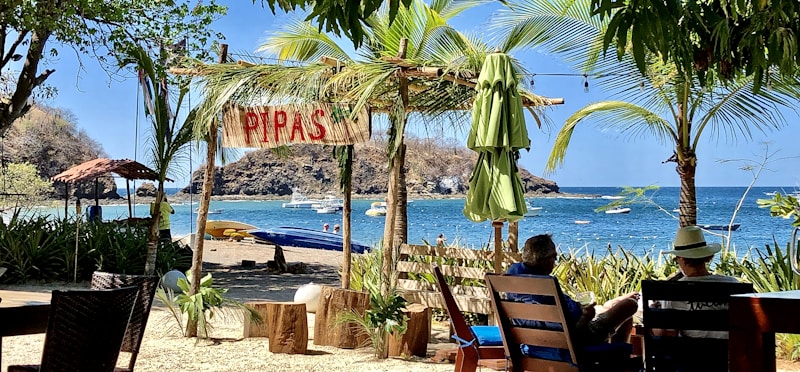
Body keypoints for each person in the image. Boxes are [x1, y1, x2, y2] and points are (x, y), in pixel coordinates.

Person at [507, 234, 639, 347]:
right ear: (544, 261)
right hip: (573, 338)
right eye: (554, 257)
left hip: (533, 338)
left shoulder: (513, 275)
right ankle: (617, 363)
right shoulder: (544, 285)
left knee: (607, 307)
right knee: (629, 306)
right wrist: (586, 316)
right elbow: (573, 331)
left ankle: (614, 303)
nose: (555, 261)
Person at [659, 225, 740, 338]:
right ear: (709, 257)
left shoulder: (672, 291)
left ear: (681, 259)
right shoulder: (732, 284)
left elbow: (667, 334)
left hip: (690, 354)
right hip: (730, 354)